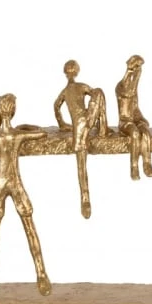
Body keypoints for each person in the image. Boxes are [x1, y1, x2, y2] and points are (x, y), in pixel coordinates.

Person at [0, 93, 51, 296]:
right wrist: (25, 127)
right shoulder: (17, 135)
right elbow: (41, 133)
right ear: (13, 111)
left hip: (0, 184)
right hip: (15, 184)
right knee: (29, 227)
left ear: (0, 110)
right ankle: (41, 274)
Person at [54, 60, 111, 219]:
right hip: (87, 120)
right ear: (77, 72)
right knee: (99, 92)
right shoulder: (81, 86)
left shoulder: (65, 91)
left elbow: (56, 106)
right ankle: (103, 128)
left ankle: (85, 197)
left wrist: (62, 124)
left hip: (80, 125)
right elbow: (96, 96)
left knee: (81, 162)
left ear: (65, 73)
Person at [116, 55, 152, 180]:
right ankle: (134, 166)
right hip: (125, 122)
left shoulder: (133, 87)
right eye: (137, 67)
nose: (139, 69)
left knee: (146, 133)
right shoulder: (120, 87)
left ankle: (147, 163)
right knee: (135, 134)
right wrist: (136, 75)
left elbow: (135, 107)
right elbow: (129, 93)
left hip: (136, 119)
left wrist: (141, 119)